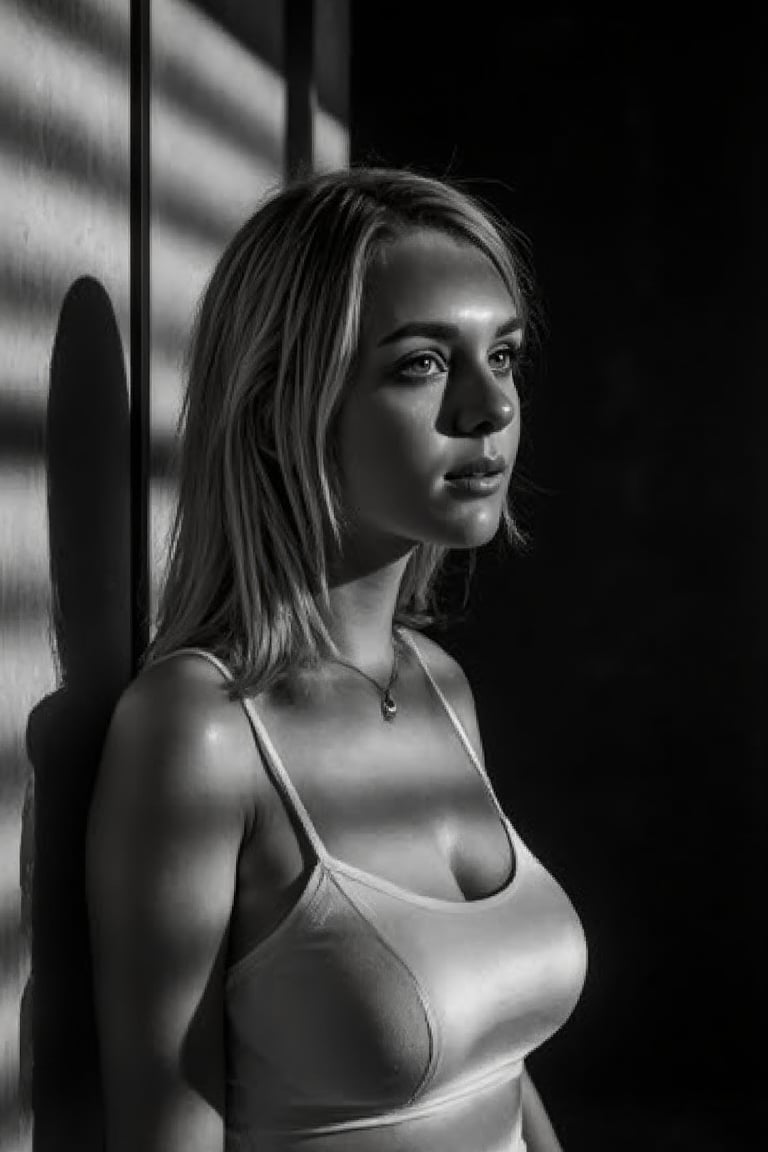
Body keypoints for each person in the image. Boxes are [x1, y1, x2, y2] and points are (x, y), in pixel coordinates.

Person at [86, 167, 587, 1152]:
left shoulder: (439, 687)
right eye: (422, 365)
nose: (490, 409)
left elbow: (500, 1071)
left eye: (505, 354)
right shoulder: (199, 732)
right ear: (287, 403)